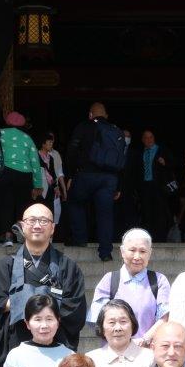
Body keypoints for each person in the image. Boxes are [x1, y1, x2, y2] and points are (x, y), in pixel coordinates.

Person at [0, 203, 86, 363]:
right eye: (32, 220)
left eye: (43, 221)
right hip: (16, 346)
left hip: (56, 348)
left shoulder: (68, 267)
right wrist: (30, 301)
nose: (37, 225)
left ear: (53, 228)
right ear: (22, 226)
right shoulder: (5, 266)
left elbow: (75, 308)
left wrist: (25, 303)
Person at [63, 102, 127, 261]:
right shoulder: (115, 130)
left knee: (74, 202)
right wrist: (118, 185)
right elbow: (121, 159)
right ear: (106, 115)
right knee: (105, 213)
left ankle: (80, 239)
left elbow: (71, 151)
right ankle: (105, 252)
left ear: (90, 115)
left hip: (86, 175)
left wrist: (70, 175)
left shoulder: (83, 126)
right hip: (109, 178)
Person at [87, 228, 170, 344]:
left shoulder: (159, 280)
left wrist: (144, 340)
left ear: (150, 253)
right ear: (122, 251)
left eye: (143, 251)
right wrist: (124, 343)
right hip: (114, 352)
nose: (137, 257)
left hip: (147, 353)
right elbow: (98, 319)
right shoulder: (109, 280)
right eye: (132, 250)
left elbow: (164, 318)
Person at [0, 112, 41, 246]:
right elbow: (35, 162)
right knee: (22, 203)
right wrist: (38, 184)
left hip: (5, 172)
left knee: (5, 204)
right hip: (24, 174)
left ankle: (7, 237)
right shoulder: (27, 138)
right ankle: (19, 224)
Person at [135, 130, 176, 240]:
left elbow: (173, 165)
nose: (148, 140)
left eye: (151, 137)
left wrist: (165, 163)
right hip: (145, 186)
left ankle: (161, 238)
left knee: (160, 212)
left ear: (154, 138)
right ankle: (148, 237)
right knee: (146, 212)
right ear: (142, 140)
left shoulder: (162, 150)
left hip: (159, 186)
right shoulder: (139, 152)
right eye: (146, 137)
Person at [37, 132, 66, 224]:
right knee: (39, 214)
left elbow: (53, 174)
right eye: (49, 142)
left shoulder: (51, 158)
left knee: (49, 215)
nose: (51, 144)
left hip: (50, 191)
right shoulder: (36, 156)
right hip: (39, 189)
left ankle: (49, 237)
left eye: (52, 143)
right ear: (43, 143)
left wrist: (56, 187)